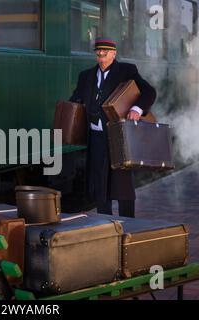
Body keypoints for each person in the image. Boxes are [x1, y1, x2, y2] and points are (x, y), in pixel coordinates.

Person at [70, 37, 156, 218]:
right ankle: (105, 223)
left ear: (114, 53)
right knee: (100, 185)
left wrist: (137, 108)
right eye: (98, 52)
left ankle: (128, 222)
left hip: (119, 137)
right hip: (97, 137)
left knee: (123, 185)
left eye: (105, 52)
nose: (101, 55)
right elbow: (75, 100)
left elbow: (149, 91)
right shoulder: (86, 76)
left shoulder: (126, 71)